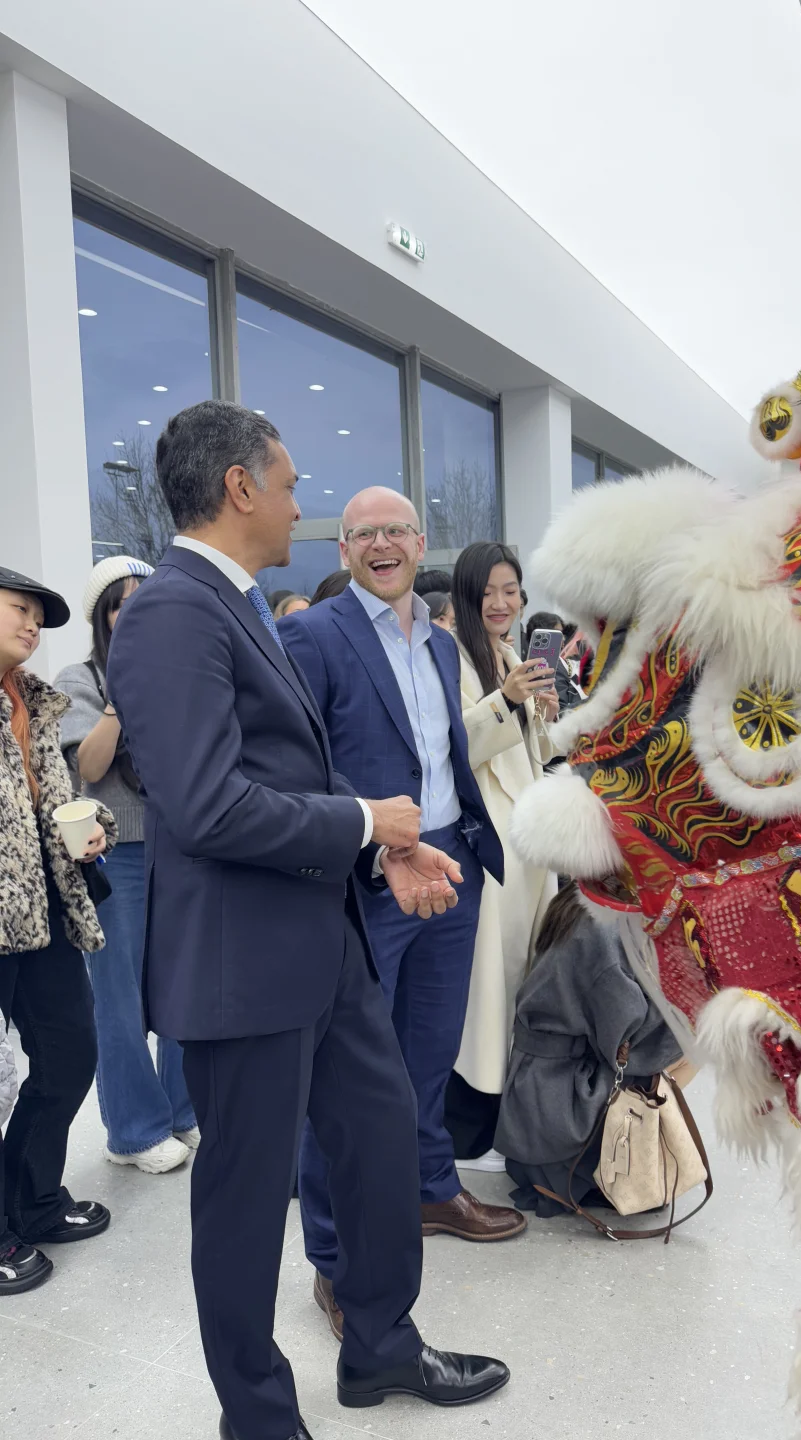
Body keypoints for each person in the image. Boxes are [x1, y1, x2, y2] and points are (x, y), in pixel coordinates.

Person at [107, 401, 509, 1440]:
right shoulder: (172, 611)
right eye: (289, 486)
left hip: (322, 948)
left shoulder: (245, 602)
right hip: (242, 971)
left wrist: (385, 843)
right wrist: (366, 816)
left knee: (378, 1148)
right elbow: (202, 803)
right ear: (239, 488)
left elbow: (293, 765)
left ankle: (382, 1346)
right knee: (244, 1208)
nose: (304, 508)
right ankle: (259, 1416)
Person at [280, 488, 523, 1342]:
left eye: (396, 531)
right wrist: (383, 841)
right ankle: (333, 1260)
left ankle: (429, 1188)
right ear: (344, 549)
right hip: (372, 879)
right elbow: (292, 759)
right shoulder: (311, 635)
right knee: (346, 1080)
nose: (382, 544)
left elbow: (444, 750)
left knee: (427, 1053)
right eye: (363, 533)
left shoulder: (436, 639)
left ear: (423, 544)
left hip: (451, 868)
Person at [55, 557, 197, 1176]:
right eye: (120, 602)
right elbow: (87, 767)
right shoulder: (78, 678)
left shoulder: (179, 671)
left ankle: (182, 1110)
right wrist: (121, 700)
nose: (133, 610)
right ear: (101, 616)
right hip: (117, 855)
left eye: (145, 598)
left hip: (181, 848)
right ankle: (133, 1131)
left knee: (180, 988)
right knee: (118, 996)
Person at [0, 567, 114, 1297]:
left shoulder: (33, 700)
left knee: (70, 1057)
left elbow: (56, 799)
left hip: (41, 909)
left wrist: (91, 827)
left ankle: (34, 1202)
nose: (32, 625)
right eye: (19, 610)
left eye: (38, 617)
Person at [445, 542, 558, 1169]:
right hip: (489, 840)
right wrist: (509, 700)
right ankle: (470, 1118)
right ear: (467, 594)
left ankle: (505, 1111)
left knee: (519, 974)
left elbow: (530, 749)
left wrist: (541, 711)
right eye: (488, 590)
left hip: (528, 839)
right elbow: (453, 744)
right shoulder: (452, 655)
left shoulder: (511, 654)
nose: (500, 601)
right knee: (486, 983)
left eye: (510, 589)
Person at [495, 885, 682, 1216]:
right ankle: (588, 1178)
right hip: (563, 1104)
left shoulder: (581, 900)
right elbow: (630, 1039)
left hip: (538, 1092)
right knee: (667, 1047)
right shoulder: (606, 931)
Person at [523, 610, 583, 714]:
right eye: (557, 634)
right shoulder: (550, 665)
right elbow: (562, 707)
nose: (562, 639)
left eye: (562, 634)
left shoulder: (565, 662)